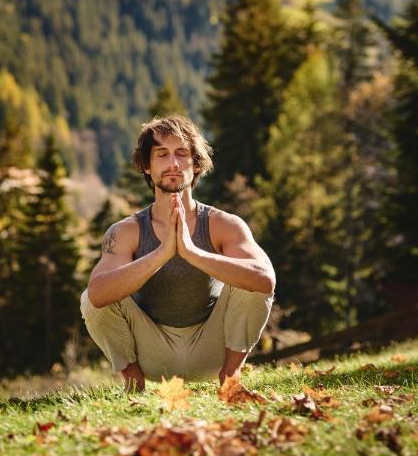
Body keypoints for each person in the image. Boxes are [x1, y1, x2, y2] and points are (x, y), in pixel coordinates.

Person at [80, 115, 275, 391]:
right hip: (152, 355)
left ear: (195, 165)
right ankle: (133, 383)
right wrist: (161, 253)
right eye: (162, 154)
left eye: (181, 153)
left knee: (251, 280)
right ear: (147, 166)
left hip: (213, 349)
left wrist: (193, 252)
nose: (172, 163)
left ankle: (230, 379)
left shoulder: (223, 224)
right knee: (91, 297)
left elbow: (265, 280)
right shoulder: (125, 231)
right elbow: (97, 294)